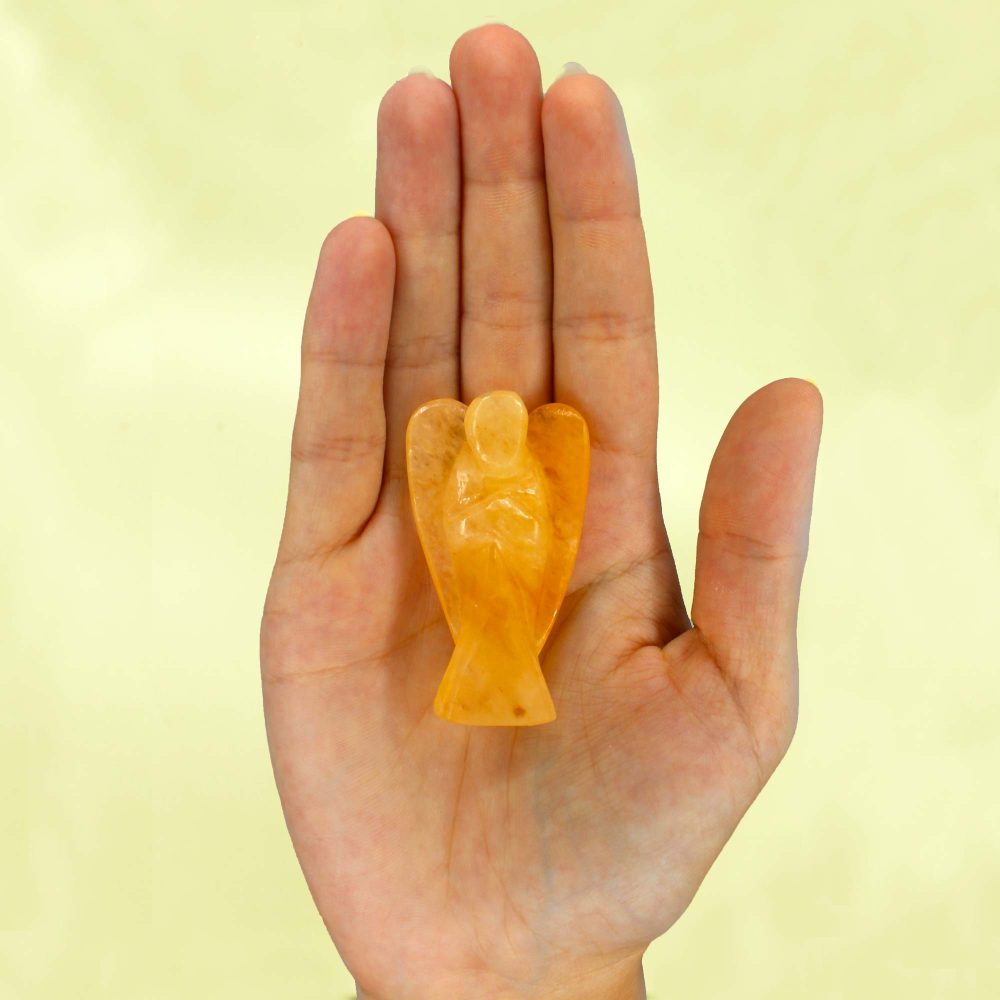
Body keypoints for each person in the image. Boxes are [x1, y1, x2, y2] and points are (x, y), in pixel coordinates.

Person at [260, 22, 823, 1000]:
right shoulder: (456, 471)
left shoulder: (536, 471)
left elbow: (527, 522)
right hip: (482, 593)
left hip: (508, 593)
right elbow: (466, 522)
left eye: (499, 441)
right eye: (478, 442)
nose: (489, 452)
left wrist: (544, 976)